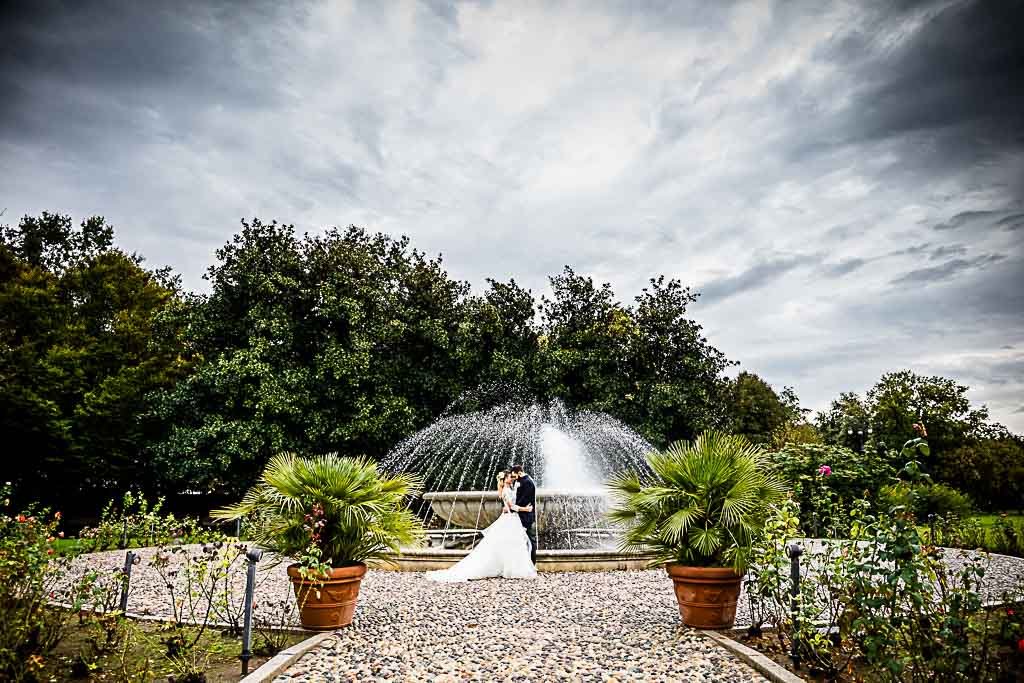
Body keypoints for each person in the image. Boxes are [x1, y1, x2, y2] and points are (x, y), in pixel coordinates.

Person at [424, 470, 537, 582]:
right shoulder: (506, 491)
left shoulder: (511, 488)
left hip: (512, 519)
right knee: (511, 543)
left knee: (511, 543)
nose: (512, 478)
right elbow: (510, 506)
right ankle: (512, 569)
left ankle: (510, 567)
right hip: (510, 518)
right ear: (504, 479)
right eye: (509, 477)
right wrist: (525, 509)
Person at [509, 464, 537, 565]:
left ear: (519, 472)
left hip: (526, 516)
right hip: (521, 514)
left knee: (530, 539)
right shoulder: (521, 481)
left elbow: (524, 500)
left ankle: (531, 563)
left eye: (514, 475)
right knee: (522, 540)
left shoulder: (528, 482)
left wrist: (512, 507)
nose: (513, 478)